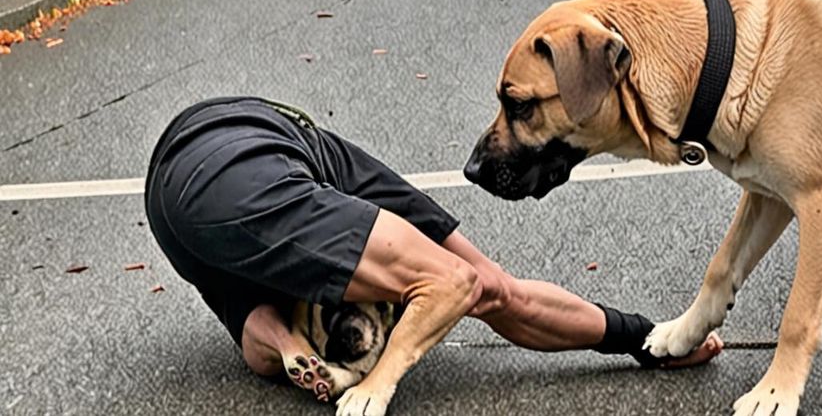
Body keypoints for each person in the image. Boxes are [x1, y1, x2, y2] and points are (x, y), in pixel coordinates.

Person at [144, 97, 722, 413]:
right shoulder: (315, 201)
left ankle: (298, 346)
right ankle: (301, 345)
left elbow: (487, 290)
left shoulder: (333, 191)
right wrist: (379, 382)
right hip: (247, 141)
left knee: (261, 319)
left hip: (192, 189)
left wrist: (646, 339)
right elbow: (455, 286)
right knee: (464, 281)